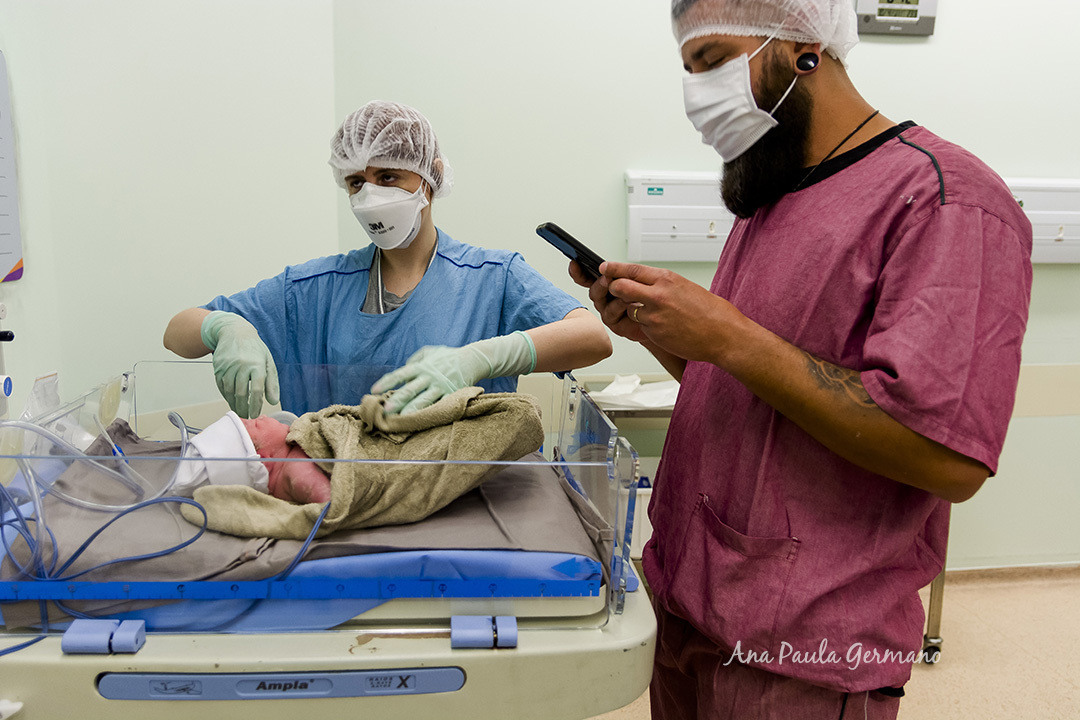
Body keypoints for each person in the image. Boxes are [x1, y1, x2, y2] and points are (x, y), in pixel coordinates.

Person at [569, 1, 1033, 718]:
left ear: (805, 47)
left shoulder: (946, 200)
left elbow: (949, 458)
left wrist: (727, 334)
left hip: (806, 648)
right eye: (687, 68)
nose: (696, 91)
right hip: (691, 607)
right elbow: (753, 389)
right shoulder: (772, 200)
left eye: (712, 60)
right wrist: (661, 332)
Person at [164, 100, 611, 418]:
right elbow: (177, 333)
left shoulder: (493, 277)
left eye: (388, 175)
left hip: (459, 501)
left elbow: (593, 337)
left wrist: (482, 358)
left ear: (430, 179)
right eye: (357, 181)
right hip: (336, 500)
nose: (371, 194)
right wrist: (223, 326)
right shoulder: (314, 287)